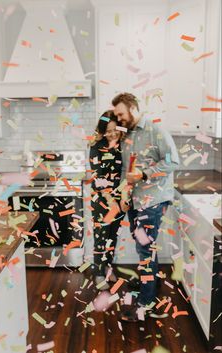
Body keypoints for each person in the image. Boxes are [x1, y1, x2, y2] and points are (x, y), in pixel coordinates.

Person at [112, 92, 179, 320]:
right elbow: (125, 170)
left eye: (121, 113)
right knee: (145, 247)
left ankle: (146, 300)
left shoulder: (155, 131)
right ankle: (153, 284)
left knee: (144, 249)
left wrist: (144, 174)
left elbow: (172, 161)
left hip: (152, 199)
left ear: (132, 108)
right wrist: (124, 195)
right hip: (134, 199)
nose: (119, 118)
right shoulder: (127, 134)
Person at [89, 110, 124, 290]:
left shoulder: (123, 144)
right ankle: (98, 273)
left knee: (112, 237)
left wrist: (121, 199)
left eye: (114, 129)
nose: (111, 134)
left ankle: (108, 268)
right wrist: (110, 199)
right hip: (103, 200)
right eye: (107, 130)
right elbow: (98, 176)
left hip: (120, 200)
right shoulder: (97, 146)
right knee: (101, 237)